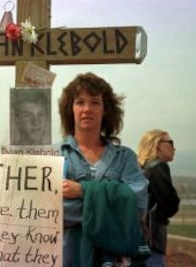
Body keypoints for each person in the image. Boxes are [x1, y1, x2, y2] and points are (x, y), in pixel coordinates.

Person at [58, 72, 149, 267]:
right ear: (70, 108)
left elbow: (139, 205)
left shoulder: (125, 158)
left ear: (106, 109)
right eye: (80, 102)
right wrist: (114, 208)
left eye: (95, 102)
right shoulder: (55, 156)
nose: (87, 109)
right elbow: (51, 211)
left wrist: (82, 191)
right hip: (67, 258)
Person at [137, 129, 180, 267]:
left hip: (136, 238)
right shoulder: (157, 166)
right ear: (158, 145)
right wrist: (162, 216)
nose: (174, 148)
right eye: (170, 143)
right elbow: (170, 204)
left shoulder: (139, 168)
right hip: (152, 238)